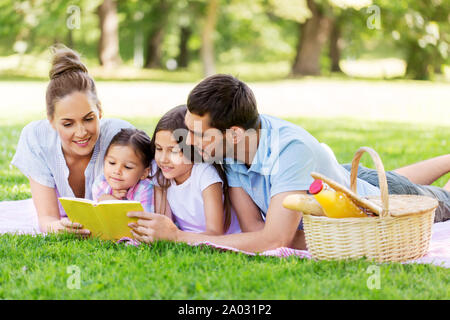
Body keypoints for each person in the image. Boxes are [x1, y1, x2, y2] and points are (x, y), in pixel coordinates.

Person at [128, 74, 450, 252]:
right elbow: (255, 228)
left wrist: (178, 237)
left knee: (441, 201)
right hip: (341, 178)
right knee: (391, 177)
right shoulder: (229, 149)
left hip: (373, 199)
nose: (189, 144)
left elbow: (272, 240)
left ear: (235, 134)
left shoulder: (290, 150)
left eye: (199, 135)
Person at [11, 45, 134, 234]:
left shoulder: (121, 136)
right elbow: (47, 219)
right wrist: (57, 226)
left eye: (88, 119)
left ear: (99, 110)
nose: (81, 132)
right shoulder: (37, 138)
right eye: (68, 124)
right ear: (51, 120)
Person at [129, 105, 240, 236]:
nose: (163, 159)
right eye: (159, 149)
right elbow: (164, 221)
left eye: (174, 151)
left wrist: (177, 237)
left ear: (193, 148)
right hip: (185, 237)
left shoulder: (205, 174)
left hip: (225, 238)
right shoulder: (160, 173)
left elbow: (215, 233)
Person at [91, 128, 155, 213]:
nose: (117, 171)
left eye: (128, 167)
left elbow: (143, 220)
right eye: (112, 163)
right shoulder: (100, 183)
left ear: (144, 173)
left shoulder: (145, 188)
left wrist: (115, 203)